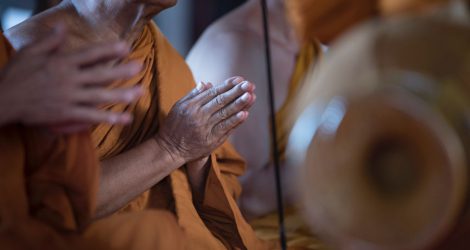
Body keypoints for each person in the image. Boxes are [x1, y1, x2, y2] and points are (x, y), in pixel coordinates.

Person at [6, 0, 273, 249]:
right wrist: (171, 148)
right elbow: (38, 207)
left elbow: (219, 189)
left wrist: (200, 148)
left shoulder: (157, 53)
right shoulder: (19, 58)